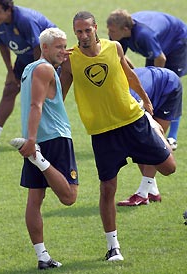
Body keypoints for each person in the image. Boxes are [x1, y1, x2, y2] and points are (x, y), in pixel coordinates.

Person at [60, 11, 176, 261]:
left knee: (169, 168)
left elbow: (129, 75)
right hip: (103, 134)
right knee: (107, 189)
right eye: (78, 31)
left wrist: (145, 100)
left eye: (87, 30)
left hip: (133, 122)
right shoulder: (70, 61)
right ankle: (113, 247)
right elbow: (58, 96)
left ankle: (154, 128)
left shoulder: (114, 48)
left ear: (95, 28)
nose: (83, 35)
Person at [10, 27, 79, 270]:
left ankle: (42, 257)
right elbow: (36, 105)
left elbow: (49, 96)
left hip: (38, 138)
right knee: (70, 197)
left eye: (65, 46)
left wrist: (61, 62)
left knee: (34, 199)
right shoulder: (45, 68)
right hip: (54, 138)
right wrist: (31, 141)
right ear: (44, 48)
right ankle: (40, 159)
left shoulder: (31, 69)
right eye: (59, 47)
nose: (64, 50)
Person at [106, 9, 187, 150]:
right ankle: (150, 130)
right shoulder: (121, 35)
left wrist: (157, 80)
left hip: (177, 41)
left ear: (125, 29)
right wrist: (134, 75)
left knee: (170, 87)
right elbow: (119, 59)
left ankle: (172, 137)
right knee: (149, 89)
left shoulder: (144, 35)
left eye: (112, 31)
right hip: (158, 43)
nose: (109, 34)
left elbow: (160, 58)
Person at [0, 0, 57, 146]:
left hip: (49, 57)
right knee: (10, 89)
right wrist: (10, 72)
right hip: (26, 57)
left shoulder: (25, 20)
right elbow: (2, 45)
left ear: (9, 10)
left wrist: (36, 75)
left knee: (41, 99)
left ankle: (43, 138)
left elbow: (39, 48)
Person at [117, 66, 182, 206]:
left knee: (151, 144)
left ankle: (142, 194)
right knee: (140, 145)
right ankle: (152, 191)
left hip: (169, 86)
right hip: (153, 86)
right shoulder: (116, 93)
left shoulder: (129, 99)